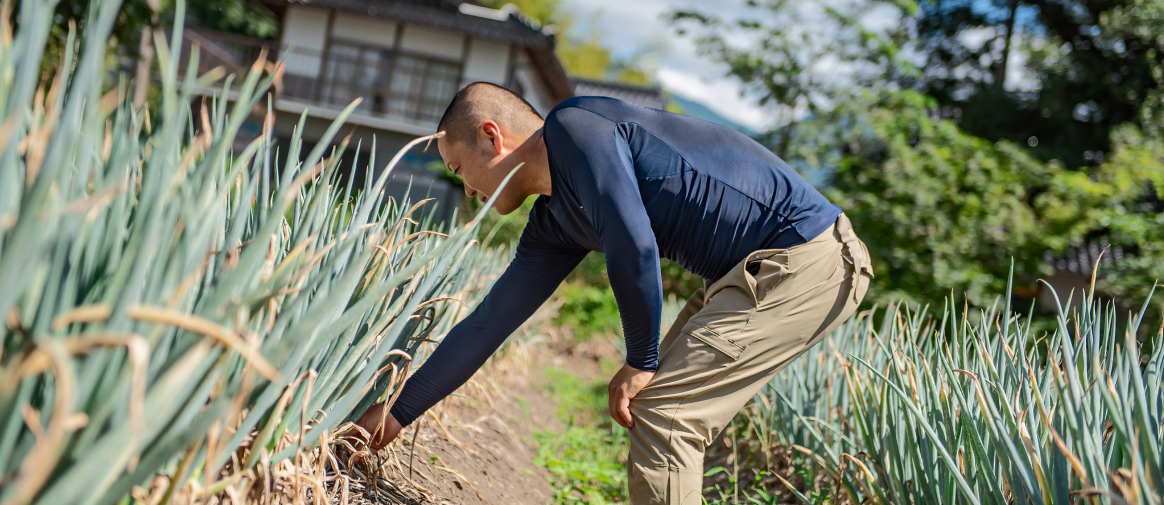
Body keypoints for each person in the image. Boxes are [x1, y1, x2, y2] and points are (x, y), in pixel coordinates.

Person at [355, 82, 872, 504]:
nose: (466, 189)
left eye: (458, 168)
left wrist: (641, 358)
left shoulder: (575, 127)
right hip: (753, 271)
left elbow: (634, 244)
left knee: (668, 417)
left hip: (806, 258)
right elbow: (489, 324)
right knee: (659, 413)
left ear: (493, 137)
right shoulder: (554, 223)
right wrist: (397, 414)